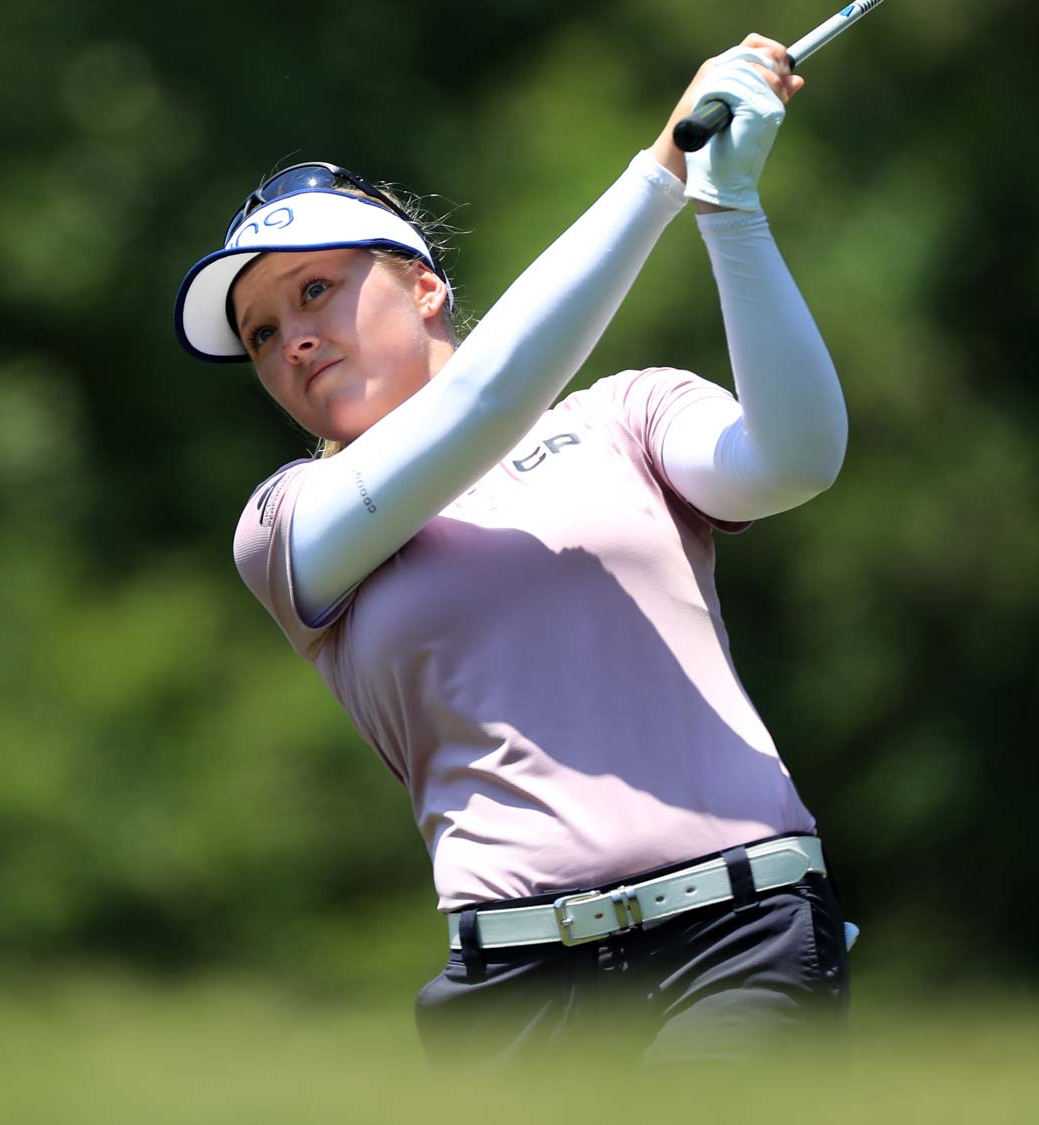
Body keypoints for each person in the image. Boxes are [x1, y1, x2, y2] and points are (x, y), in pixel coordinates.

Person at [174, 34, 853, 1067]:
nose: (292, 341)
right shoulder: (284, 526)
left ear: (423, 287)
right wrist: (661, 165)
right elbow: (485, 405)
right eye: (261, 333)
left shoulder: (624, 414)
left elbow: (792, 461)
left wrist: (730, 211)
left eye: (314, 292)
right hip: (514, 991)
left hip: (738, 939)